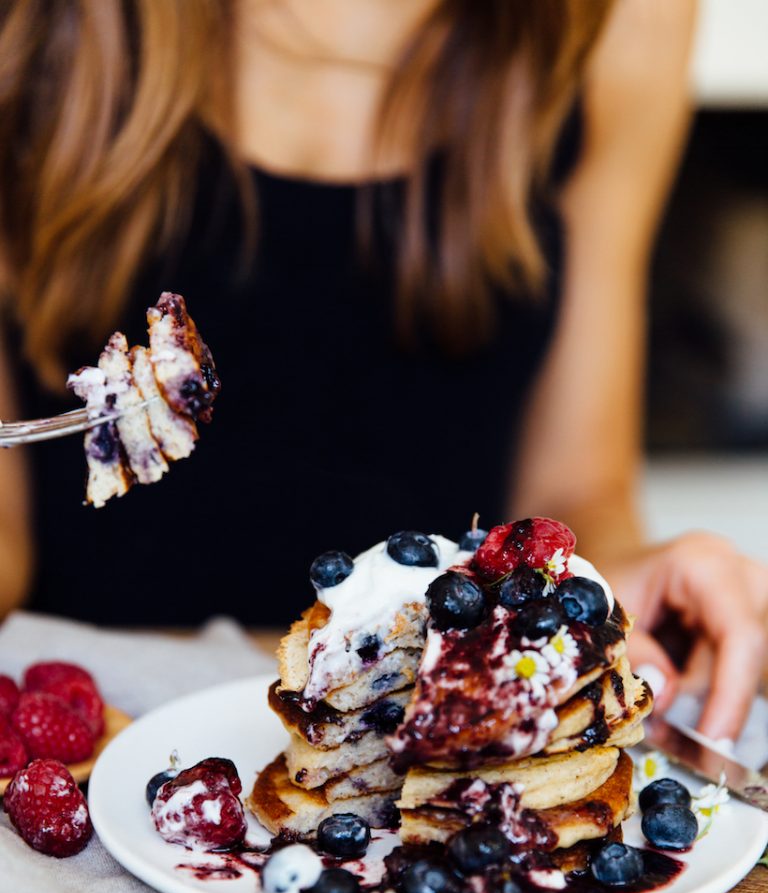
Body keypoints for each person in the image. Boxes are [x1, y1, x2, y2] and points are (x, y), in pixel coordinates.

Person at [0, 0, 765, 743]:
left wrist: (588, 590)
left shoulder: (625, 18)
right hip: (88, 746)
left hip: (435, 760)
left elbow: (575, 490)